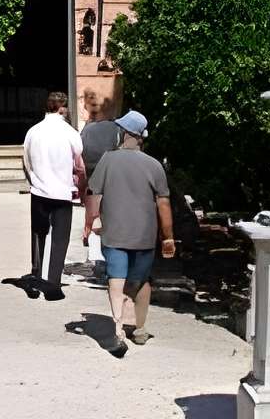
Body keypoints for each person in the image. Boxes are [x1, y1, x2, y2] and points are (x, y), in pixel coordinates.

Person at [81, 109, 172, 355]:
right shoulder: (154, 165)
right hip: (145, 235)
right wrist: (169, 237)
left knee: (116, 278)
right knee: (141, 282)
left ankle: (118, 327)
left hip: (114, 232)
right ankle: (139, 329)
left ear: (126, 133)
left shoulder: (107, 160)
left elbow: (93, 193)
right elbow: (164, 204)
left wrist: (91, 222)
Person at [18, 92, 80, 300]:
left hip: (39, 191)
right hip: (62, 193)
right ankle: (53, 281)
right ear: (63, 109)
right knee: (60, 239)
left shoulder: (32, 132)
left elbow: (25, 162)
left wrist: (34, 180)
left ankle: (36, 276)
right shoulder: (70, 132)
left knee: (38, 234)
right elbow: (78, 161)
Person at [78, 93, 125, 287]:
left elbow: (81, 150)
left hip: (92, 170)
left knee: (93, 203)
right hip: (112, 173)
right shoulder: (117, 129)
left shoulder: (87, 129)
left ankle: (89, 227)